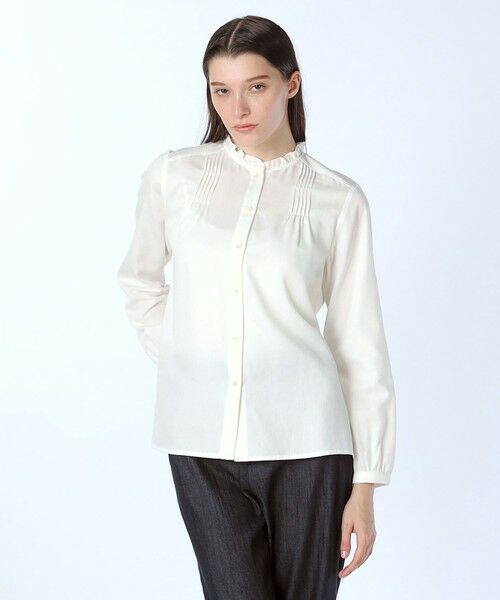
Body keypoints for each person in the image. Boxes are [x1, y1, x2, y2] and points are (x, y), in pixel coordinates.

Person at [117, 14, 397, 600]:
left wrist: (366, 483)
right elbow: (140, 283)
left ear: (291, 84)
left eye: (256, 86)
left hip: (309, 446)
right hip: (200, 443)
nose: (237, 108)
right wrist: (190, 357)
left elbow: (358, 342)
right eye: (221, 90)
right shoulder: (173, 176)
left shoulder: (338, 199)